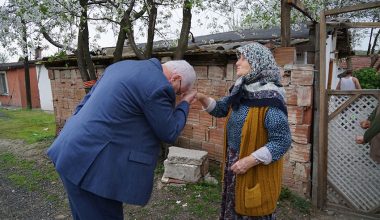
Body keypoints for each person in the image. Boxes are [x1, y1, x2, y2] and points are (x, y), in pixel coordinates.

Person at [47, 58, 197, 219]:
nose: (177, 95)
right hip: (93, 168)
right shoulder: (158, 85)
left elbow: (83, 103)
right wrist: (185, 103)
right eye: (179, 92)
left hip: (69, 150)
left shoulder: (119, 67)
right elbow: (170, 131)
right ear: (176, 79)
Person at [197, 42, 291, 219]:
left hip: (254, 166)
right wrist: (201, 97)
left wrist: (249, 161)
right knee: (235, 205)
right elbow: (221, 109)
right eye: (237, 58)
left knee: (252, 208)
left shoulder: (270, 99)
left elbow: (282, 141)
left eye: (243, 58)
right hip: (235, 161)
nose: (237, 63)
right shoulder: (241, 90)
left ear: (257, 62)